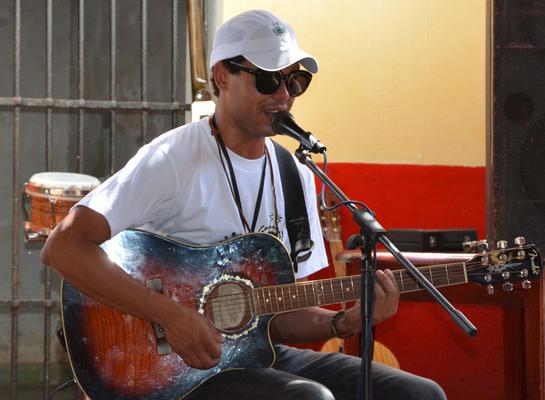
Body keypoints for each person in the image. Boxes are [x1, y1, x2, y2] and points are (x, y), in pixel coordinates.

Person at [42, 9, 446, 400]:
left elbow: (282, 313)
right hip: (173, 366)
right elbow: (64, 247)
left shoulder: (295, 175)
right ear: (222, 76)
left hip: (251, 355)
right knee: (309, 398)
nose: (285, 95)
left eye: (296, 81)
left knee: (419, 393)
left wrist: (343, 321)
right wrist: (169, 314)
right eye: (270, 79)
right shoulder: (171, 160)